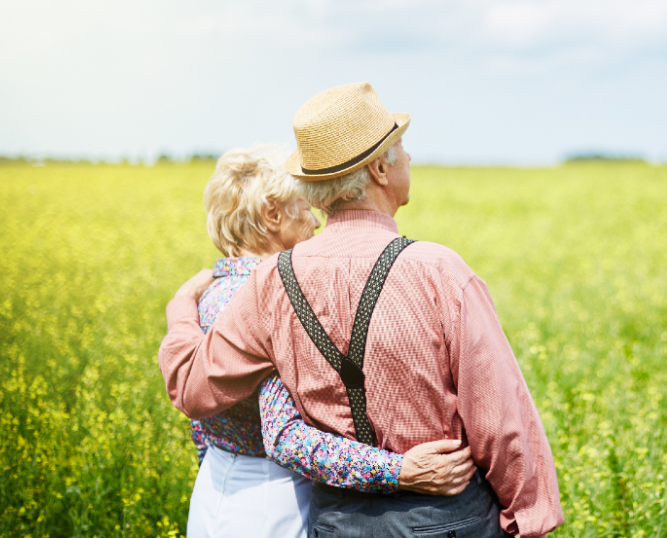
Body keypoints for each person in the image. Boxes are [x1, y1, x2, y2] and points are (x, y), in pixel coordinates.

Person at [160, 82, 563, 537]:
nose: (409, 158)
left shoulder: (270, 281)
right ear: (378, 169)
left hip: (335, 520)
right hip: (446, 516)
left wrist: (181, 309)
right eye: (402, 148)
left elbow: (192, 389)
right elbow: (502, 422)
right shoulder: (440, 272)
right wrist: (529, 520)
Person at [182, 144, 476, 538]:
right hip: (272, 505)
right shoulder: (264, 298)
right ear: (272, 215)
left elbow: (201, 422)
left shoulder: (210, 293)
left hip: (217, 490)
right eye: (304, 207)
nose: (317, 222)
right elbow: (285, 438)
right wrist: (399, 471)